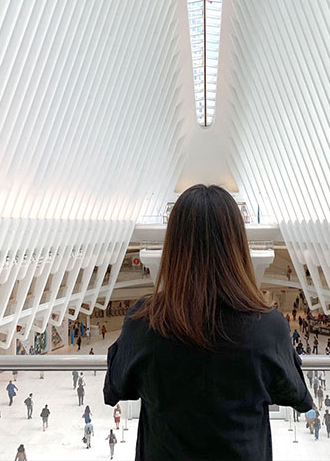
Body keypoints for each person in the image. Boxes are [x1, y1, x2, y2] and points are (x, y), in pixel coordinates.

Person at [103, 185, 313, 460]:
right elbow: (297, 396)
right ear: (238, 246)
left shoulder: (145, 321)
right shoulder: (267, 326)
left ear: (173, 246)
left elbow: (115, 389)